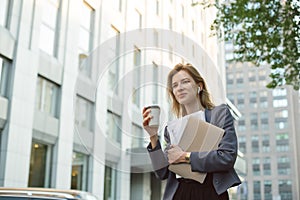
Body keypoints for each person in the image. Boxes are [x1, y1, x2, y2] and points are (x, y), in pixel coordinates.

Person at [142, 63, 241, 200]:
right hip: (180, 193)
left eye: (185, 82)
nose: (180, 88)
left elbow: (226, 157)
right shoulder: (172, 128)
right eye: (175, 85)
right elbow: (162, 173)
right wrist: (153, 136)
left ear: (199, 86)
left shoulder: (219, 115)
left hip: (210, 192)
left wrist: (185, 156)